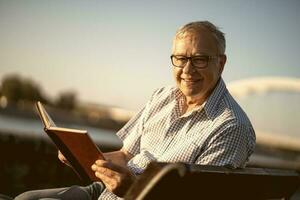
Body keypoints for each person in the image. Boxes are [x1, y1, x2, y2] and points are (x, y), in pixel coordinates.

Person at [15, 21, 256, 200]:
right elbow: (126, 156)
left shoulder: (231, 127)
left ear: (221, 63)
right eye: (181, 58)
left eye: (200, 59)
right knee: (24, 199)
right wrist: (82, 158)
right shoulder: (162, 96)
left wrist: (134, 190)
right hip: (107, 192)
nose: (187, 69)